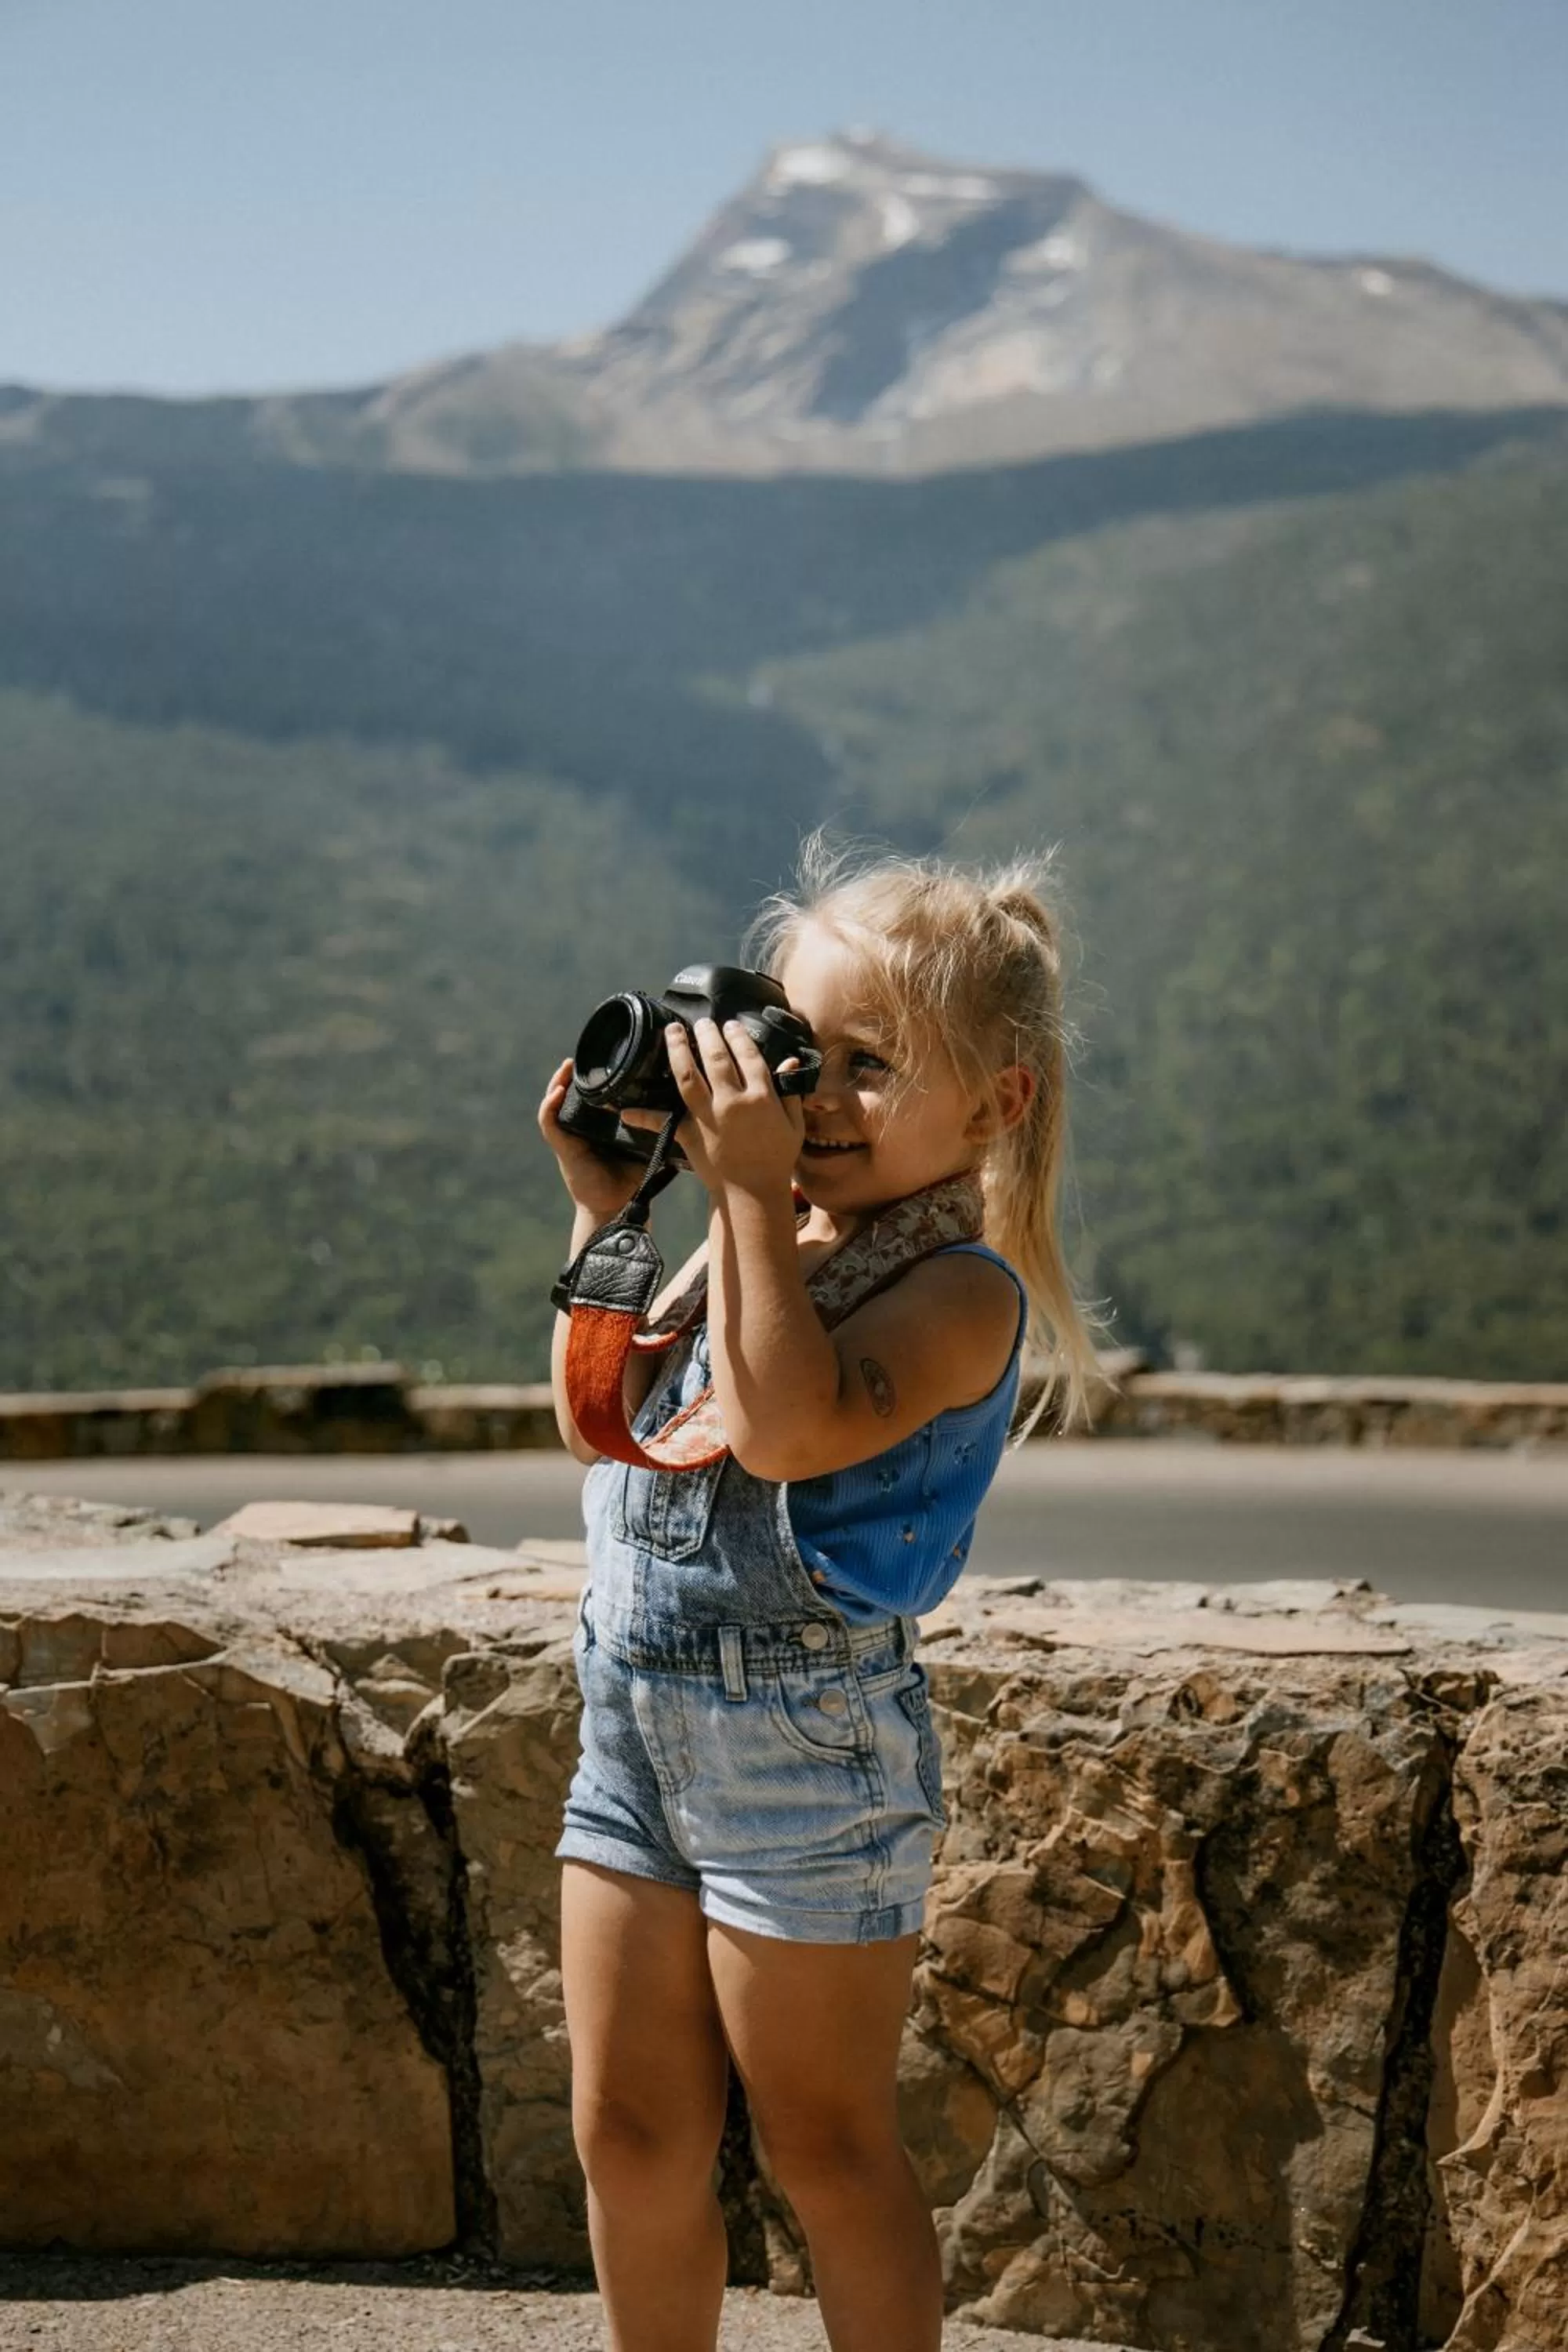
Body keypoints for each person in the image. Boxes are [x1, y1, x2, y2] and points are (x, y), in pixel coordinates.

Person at [535, 831, 1101, 2352]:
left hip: (810, 1770)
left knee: (823, 2152)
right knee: (627, 2135)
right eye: (799, 1052)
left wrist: (743, 1198)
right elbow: (614, 1417)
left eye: (870, 1064)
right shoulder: (762, 1221)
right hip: (633, 1736)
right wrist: (608, 1210)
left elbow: (784, 1428)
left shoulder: (958, 1295)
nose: (818, 1099)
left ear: (996, 1106)